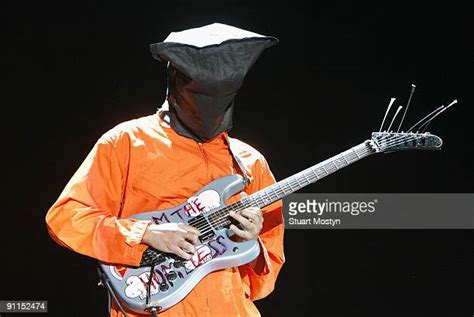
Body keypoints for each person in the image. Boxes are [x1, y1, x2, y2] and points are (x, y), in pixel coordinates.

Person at [45, 23, 285, 317]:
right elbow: (67, 218)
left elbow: (262, 285)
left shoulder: (249, 163)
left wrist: (250, 243)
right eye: (201, 94)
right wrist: (145, 233)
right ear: (175, 81)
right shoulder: (127, 142)